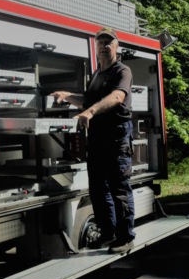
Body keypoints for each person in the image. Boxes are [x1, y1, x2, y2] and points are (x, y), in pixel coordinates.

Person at [49, 27, 135, 254]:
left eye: (108, 42)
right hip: (97, 138)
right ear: (95, 48)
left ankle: (125, 238)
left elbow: (117, 96)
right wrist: (67, 96)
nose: (104, 46)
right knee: (98, 190)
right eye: (100, 42)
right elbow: (87, 100)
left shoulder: (122, 71)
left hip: (116, 136)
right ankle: (108, 234)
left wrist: (90, 112)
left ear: (116, 46)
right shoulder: (97, 75)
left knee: (119, 189)